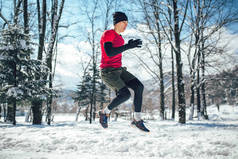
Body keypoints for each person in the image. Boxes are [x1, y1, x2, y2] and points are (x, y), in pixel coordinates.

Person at [99, 11, 149, 132]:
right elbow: (109, 53)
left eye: (127, 23)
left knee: (139, 87)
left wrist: (128, 45)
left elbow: (119, 50)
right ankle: (104, 113)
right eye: (123, 22)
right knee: (125, 95)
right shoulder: (108, 34)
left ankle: (137, 119)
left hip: (119, 70)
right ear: (117, 23)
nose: (125, 25)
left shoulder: (120, 38)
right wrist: (128, 46)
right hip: (108, 72)